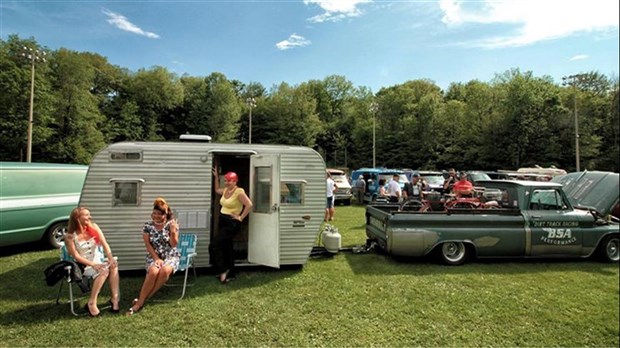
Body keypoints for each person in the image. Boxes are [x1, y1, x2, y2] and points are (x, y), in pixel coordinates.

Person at [127, 197, 180, 315]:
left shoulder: (171, 225)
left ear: (165, 215)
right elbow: (148, 245)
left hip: (170, 255)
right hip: (154, 255)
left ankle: (140, 301)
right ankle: (143, 300)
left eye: (159, 214)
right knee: (153, 272)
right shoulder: (147, 226)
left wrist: (173, 231)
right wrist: (156, 258)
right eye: (154, 213)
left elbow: (173, 244)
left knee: (165, 270)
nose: (156, 216)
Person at [64, 207, 120, 317]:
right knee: (104, 270)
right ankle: (91, 302)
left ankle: (115, 299)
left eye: (89, 214)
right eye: (86, 215)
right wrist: (93, 264)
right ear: (77, 218)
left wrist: (110, 257)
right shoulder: (70, 236)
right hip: (84, 265)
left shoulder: (94, 227)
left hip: (98, 261)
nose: (90, 217)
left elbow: (105, 244)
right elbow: (76, 256)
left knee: (113, 265)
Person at [211, 167, 254, 284]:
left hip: (232, 223)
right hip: (223, 220)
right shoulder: (225, 190)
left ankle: (223, 270)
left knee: (215, 244)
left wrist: (240, 217)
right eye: (225, 180)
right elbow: (216, 190)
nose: (227, 182)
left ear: (235, 181)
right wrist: (216, 178)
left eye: (229, 180)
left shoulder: (239, 192)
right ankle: (231, 273)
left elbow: (249, 205)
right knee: (227, 247)